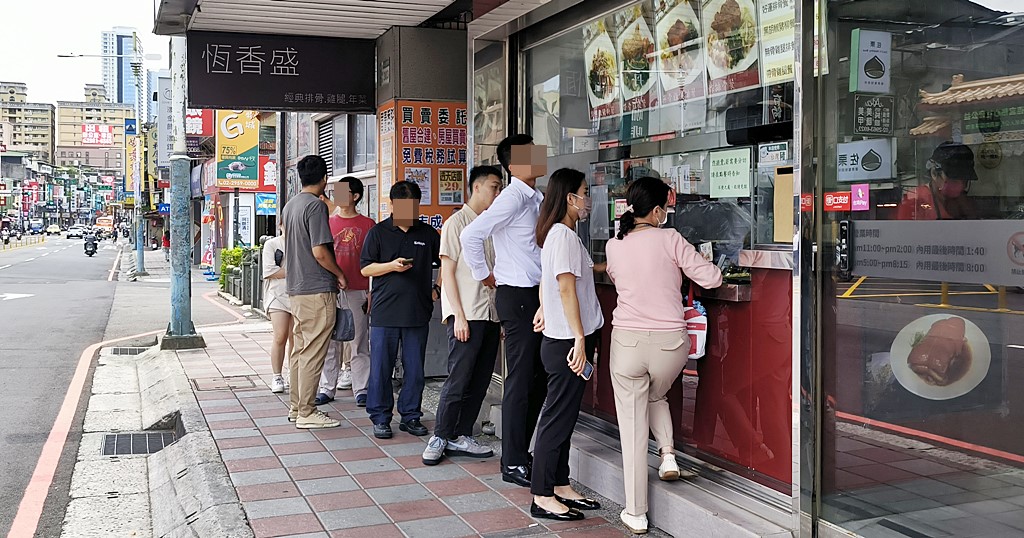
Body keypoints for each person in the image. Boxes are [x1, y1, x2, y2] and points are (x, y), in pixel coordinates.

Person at [605, 177, 723, 534]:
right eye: (665, 209)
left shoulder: (614, 244)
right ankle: (668, 453)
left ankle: (636, 512)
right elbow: (713, 278)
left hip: (627, 344)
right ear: (657, 211)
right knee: (655, 394)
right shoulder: (671, 238)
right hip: (671, 345)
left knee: (633, 427)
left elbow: (617, 279)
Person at [460, 134, 547, 487]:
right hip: (518, 295)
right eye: (531, 155)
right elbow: (471, 236)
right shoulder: (512, 197)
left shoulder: (533, 197)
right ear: (514, 166)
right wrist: (486, 276)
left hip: (535, 296)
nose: (539, 159)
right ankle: (511, 462)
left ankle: (521, 453)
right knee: (522, 380)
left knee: (538, 380)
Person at [529, 168, 603, 522]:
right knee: (557, 418)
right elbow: (565, 287)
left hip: (564, 337)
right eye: (584, 193)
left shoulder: (561, 235)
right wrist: (578, 337)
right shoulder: (563, 236)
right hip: (566, 342)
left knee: (565, 415)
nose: (587, 199)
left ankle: (560, 483)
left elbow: (550, 283)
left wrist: (544, 309)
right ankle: (542, 494)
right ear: (570, 198)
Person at [422, 166, 504, 465]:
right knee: (458, 377)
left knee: (480, 379)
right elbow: (448, 273)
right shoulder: (457, 223)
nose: (498, 193)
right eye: (494, 187)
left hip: (491, 314)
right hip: (467, 313)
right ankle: (441, 435)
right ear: (477, 187)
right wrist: (457, 316)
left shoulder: (493, 225)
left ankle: (461, 435)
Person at [360, 181, 441, 439]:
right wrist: (391, 266)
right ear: (392, 205)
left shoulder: (428, 234)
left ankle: (410, 415)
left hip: (417, 311)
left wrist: (437, 289)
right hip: (385, 312)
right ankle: (381, 416)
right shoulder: (378, 233)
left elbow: (447, 263)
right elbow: (365, 269)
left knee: (415, 368)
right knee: (381, 367)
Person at [282, 155, 348, 429]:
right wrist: (339, 273)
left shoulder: (290, 205)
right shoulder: (315, 207)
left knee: (299, 350)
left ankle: (297, 407)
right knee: (312, 351)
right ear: (324, 179)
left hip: (295, 288)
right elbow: (320, 252)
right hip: (317, 288)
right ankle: (308, 411)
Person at [316, 177, 375, 407]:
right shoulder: (327, 222)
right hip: (330, 289)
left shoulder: (368, 224)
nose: (337, 195)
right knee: (330, 341)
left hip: (359, 289)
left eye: (342, 191)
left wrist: (371, 291)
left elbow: (373, 260)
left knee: (359, 341)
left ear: (355, 196)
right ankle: (326, 387)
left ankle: (362, 388)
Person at [897, 141, 978, 220]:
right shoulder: (914, 203)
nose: (961, 186)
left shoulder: (963, 203)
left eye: (965, 181)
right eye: (954, 180)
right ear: (934, 174)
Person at [262, 225, 292, 394]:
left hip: (298, 294)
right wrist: (295, 271)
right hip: (276, 295)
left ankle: (293, 375)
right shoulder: (272, 244)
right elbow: (269, 271)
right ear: (280, 225)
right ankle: (277, 375)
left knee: (296, 339)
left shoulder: (302, 242)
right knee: (280, 336)